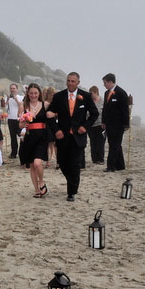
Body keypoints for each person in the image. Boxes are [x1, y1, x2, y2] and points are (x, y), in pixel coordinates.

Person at [46, 72, 99, 201]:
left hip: (78, 137)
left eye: (73, 81)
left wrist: (85, 126)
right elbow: (49, 114)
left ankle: (71, 192)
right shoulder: (58, 96)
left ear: (78, 82)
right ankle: (73, 183)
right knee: (62, 162)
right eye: (68, 80)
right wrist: (56, 130)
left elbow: (94, 114)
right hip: (62, 136)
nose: (70, 83)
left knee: (75, 165)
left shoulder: (85, 96)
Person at [18, 83, 49, 198]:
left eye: (35, 93)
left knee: (37, 163)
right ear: (28, 94)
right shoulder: (24, 106)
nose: (33, 95)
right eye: (31, 93)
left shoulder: (45, 104)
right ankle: (37, 190)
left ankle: (41, 182)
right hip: (29, 137)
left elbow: (53, 116)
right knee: (31, 165)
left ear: (39, 93)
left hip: (42, 137)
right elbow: (20, 124)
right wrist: (22, 124)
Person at [101, 74, 130, 171]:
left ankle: (111, 166)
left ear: (110, 82)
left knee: (114, 145)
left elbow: (125, 109)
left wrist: (126, 124)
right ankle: (120, 165)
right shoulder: (106, 93)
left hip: (118, 124)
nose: (104, 85)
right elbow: (105, 108)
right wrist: (103, 121)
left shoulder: (121, 92)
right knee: (114, 144)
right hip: (109, 123)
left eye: (105, 83)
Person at [88, 85, 105, 165]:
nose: (91, 95)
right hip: (91, 125)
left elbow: (105, 113)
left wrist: (105, 122)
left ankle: (100, 159)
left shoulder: (103, 101)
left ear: (96, 92)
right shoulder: (89, 101)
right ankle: (94, 159)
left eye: (92, 93)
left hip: (100, 125)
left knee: (100, 143)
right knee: (93, 142)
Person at [6, 83, 24, 160]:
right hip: (10, 119)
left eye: (14, 88)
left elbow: (21, 105)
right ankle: (13, 153)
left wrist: (15, 99)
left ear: (17, 89)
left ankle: (22, 152)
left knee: (21, 135)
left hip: (19, 119)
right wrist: (7, 99)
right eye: (11, 88)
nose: (12, 90)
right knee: (13, 137)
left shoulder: (20, 97)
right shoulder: (8, 98)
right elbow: (5, 107)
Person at [43, 86, 57, 168]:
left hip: (55, 124)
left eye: (54, 94)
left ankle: (57, 161)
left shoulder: (56, 103)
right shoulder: (45, 103)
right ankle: (48, 161)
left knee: (55, 144)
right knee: (48, 143)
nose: (52, 96)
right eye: (51, 94)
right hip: (47, 124)